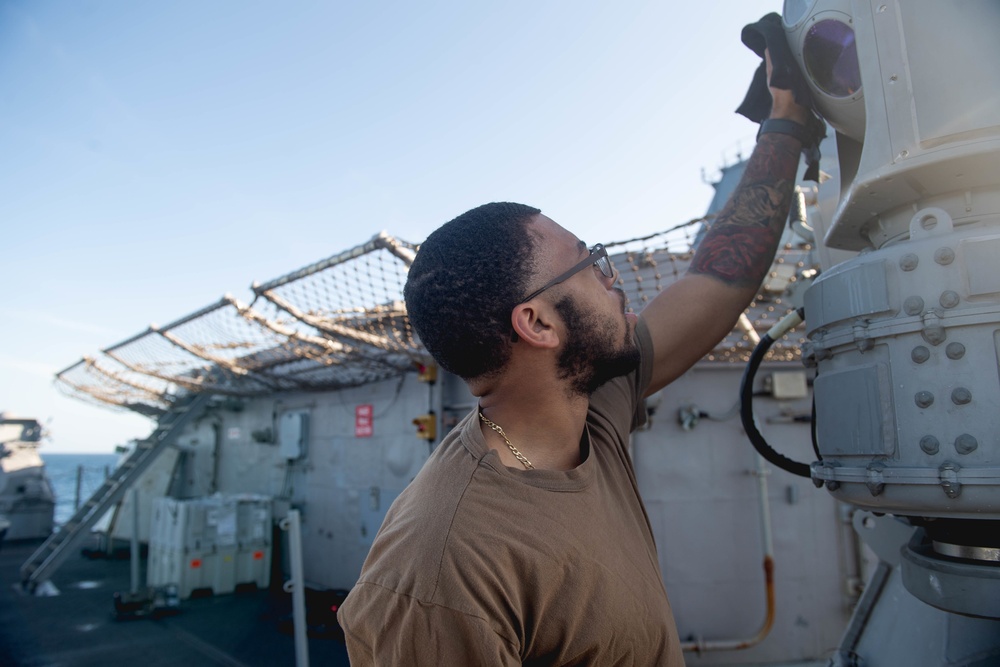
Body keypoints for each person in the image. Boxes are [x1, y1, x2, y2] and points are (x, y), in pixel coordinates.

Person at [338, 51, 810, 665]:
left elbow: (716, 283)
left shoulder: (592, 406)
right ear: (537, 323)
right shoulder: (440, 572)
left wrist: (784, 122)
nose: (614, 280)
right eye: (592, 263)